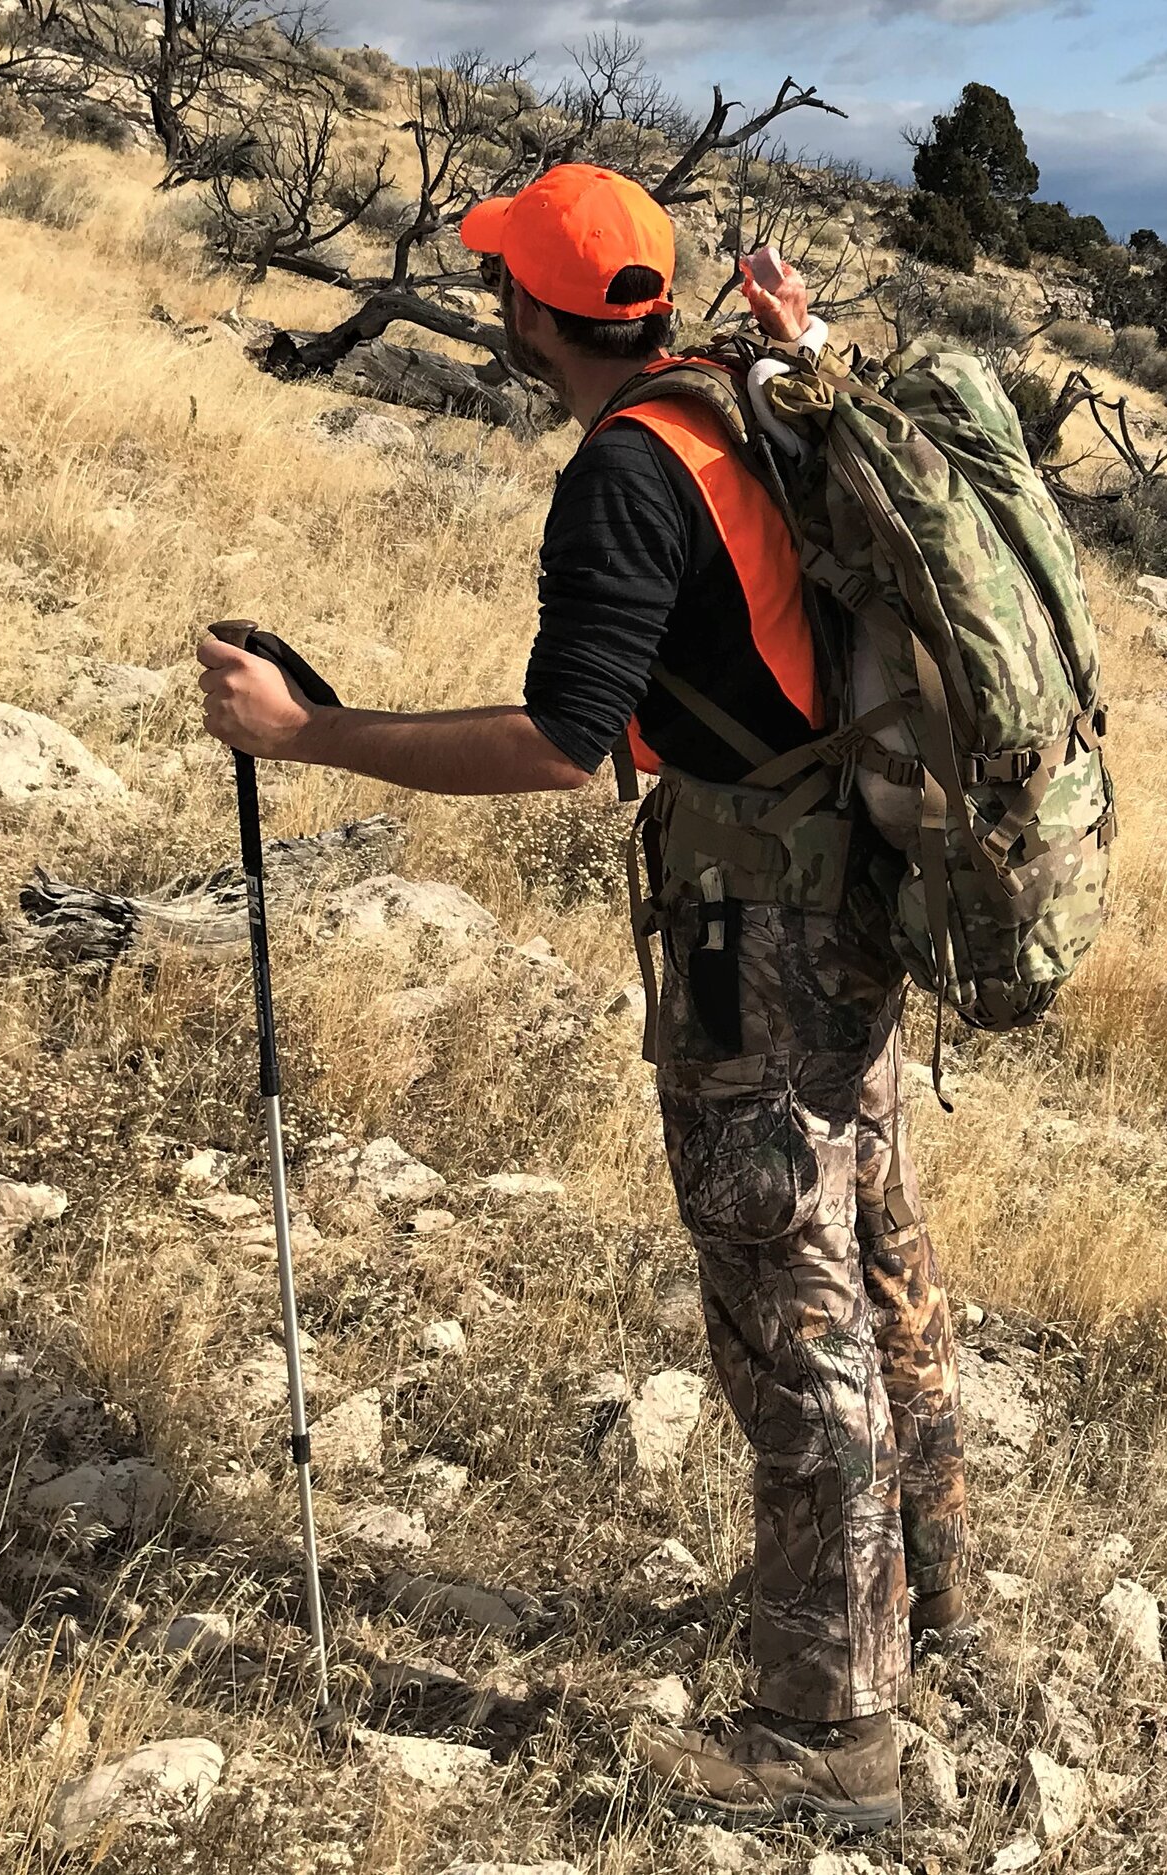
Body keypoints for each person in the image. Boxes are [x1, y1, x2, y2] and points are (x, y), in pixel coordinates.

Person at [195, 162, 965, 1834]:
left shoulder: (627, 472)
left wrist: (311, 735)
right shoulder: (749, 392)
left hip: (750, 922)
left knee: (791, 1301)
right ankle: (924, 1607)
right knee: (880, 1249)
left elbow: (566, 740)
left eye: (502, 286)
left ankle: (830, 1737)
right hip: (855, 888)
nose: (496, 305)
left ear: (533, 311)